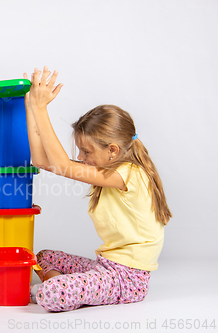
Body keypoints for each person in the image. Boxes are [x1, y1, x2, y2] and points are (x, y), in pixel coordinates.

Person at [25, 67, 171, 312]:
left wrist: (42, 109)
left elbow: (61, 165)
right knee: (42, 256)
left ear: (112, 150)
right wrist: (31, 106)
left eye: (86, 152)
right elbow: (41, 161)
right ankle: (77, 286)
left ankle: (64, 287)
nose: (81, 158)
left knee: (50, 293)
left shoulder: (129, 174)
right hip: (105, 266)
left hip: (127, 279)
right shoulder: (107, 169)